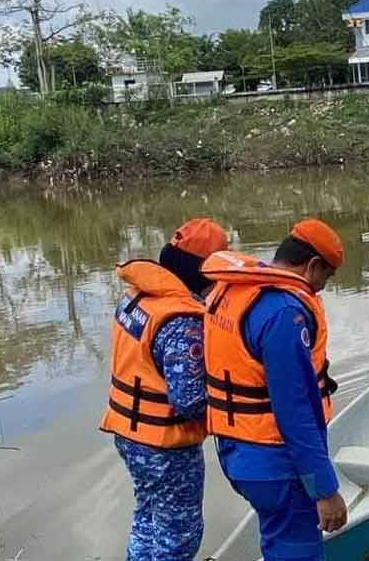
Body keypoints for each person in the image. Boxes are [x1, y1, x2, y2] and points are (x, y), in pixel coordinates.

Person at [201, 219, 347, 561]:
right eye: (326, 277)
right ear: (312, 266)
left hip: (236, 454)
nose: (322, 288)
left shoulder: (231, 291)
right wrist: (325, 489)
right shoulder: (284, 313)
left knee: (277, 541)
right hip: (276, 465)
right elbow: (294, 411)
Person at [99, 218, 229, 561]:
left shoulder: (136, 299)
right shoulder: (182, 320)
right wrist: (236, 414)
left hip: (128, 434)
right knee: (180, 532)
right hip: (165, 447)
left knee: (148, 517)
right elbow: (188, 400)